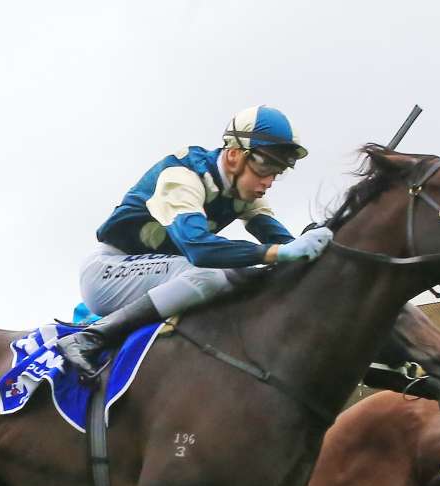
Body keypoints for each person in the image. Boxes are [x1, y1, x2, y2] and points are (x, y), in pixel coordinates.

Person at [57, 106, 332, 376]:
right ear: (234, 156)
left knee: (244, 277)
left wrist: (314, 246)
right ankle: (90, 338)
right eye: (265, 166)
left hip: (157, 272)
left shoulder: (245, 192)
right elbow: (199, 250)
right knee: (211, 274)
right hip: (107, 271)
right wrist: (281, 252)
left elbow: (284, 245)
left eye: (278, 171)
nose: (269, 181)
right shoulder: (183, 177)